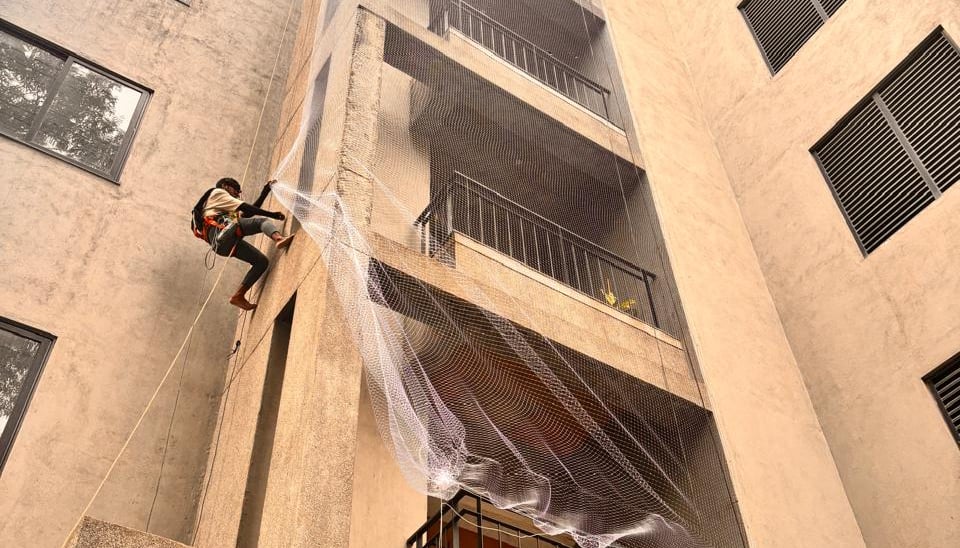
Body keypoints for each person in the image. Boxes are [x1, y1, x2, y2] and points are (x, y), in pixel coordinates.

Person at [193, 177, 294, 311]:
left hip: (222, 244)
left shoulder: (221, 208)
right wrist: (272, 215)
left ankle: (238, 296)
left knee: (261, 261)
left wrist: (265, 191)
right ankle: (279, 239)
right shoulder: (218, 192)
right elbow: (245, 207)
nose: (238, 194)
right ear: (225, 186)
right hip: (221, 230)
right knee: (260, 222)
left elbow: (248, 212)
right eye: (236, 190)